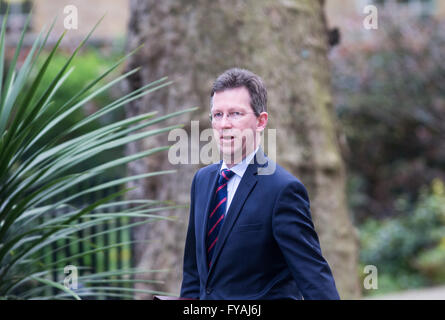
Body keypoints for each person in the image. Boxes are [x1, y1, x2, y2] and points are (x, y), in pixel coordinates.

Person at [180, 68, 340, 300]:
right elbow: (193, 274)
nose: (224, 124)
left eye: (235, 114)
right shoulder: (202, 181)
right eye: (217, 115)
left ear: (261, 121)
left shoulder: (283, 190)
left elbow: (314, 278)